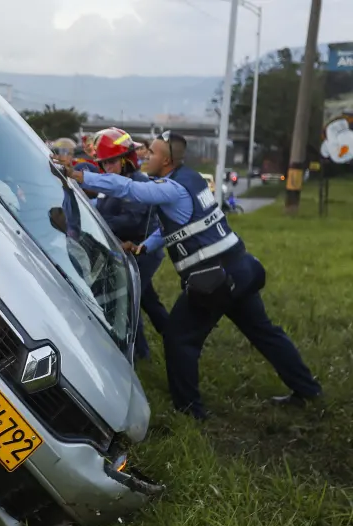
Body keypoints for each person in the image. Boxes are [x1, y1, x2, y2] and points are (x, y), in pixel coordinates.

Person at [55, 131, 323, 420]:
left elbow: (131, 190)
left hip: (215, 279)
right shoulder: (193, 180)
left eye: (153, 153)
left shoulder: (172, 188)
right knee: (266, 333)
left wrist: (82, 177)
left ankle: (189, 413)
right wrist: (145, 247)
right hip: (242, 268)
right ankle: (308, 391)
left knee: (179, 338)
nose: (146, 157)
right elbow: (173, 228)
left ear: (167, 160)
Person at [87, 128, 169, 360]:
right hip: (125, 253)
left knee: (128, 300)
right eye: (102, 164)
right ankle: (175, 336)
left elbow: (129, 221)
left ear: (126, 160)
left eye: (111, 162)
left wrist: (96, 222)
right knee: (148, 301)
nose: (106, 169)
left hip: (143, 252)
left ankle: (140, 353)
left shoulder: (138, 184)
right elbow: (99, 205)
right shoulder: (113, 182)